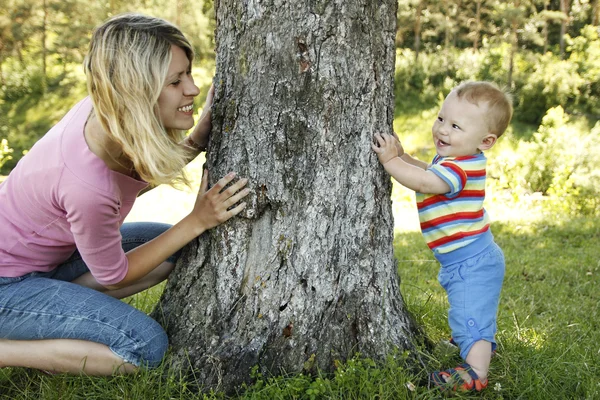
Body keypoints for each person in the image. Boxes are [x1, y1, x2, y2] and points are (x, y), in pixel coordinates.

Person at [0, 13, 250, 375]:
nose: (193, 90)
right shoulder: (86, 184)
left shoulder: (104, 116)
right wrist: (197, 219)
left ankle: (67, 308)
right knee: (144, 347)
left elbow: (133, 177)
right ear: (137, 93)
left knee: (176, 247)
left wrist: (195, 140)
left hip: (47, 262)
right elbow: (114, 273)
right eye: (175, 82)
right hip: (7, 287)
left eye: (188, 74)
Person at [372, 81, 512, 392]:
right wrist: (405, 157)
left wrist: (391, 162)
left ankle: (476, 372)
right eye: (440, 119)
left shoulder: (460, 169)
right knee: (471, 309)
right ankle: (475, 343)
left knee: (469, 313)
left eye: (456, 126)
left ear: (486, 140)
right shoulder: (455, 162)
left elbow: (424, 182)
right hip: (470, 257)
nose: (443, 131)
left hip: (471, 262)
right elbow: (426, 170)